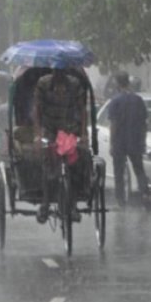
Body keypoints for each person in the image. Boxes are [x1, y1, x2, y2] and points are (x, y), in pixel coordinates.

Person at [32, 68, 88, 223]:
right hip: (50, 129)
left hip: (70, 129)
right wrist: (38, 135)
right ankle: (45, 203)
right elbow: (37, 109)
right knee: (47, 164)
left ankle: (74, 204)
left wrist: (83, 134)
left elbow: (82, 110)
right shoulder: (43, 83)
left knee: (76, 163)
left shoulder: (75, 84)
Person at [107, 71, 151, 211]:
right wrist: (143, 141)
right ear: (128, 82)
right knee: (139, 169)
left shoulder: (115, 101)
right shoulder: (138, 100)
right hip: (135, 141)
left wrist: (112, 143)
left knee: (119, 172)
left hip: (120, 142)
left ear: (117, 83)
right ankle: (145, 194)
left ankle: (120, 201)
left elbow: (113, 124)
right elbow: (144, 123)